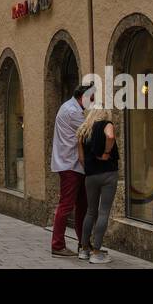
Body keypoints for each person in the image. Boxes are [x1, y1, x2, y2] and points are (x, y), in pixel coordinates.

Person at [50, 83, 91, 256]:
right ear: (84, 97)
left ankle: (84, 244)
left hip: (73, 165)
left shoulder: (67, 106)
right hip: (70, 164)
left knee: (82, 205)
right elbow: (89, 132)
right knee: (66, 205)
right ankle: (57, 245)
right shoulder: (73, 112)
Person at [77, 109, 118, 264]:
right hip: (108, 174)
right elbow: (110, 135)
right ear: (104, 115)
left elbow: (80, 158)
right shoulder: (106, 124)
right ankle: (96, 252)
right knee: (104, 212)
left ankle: (84, 249)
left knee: (90, 212)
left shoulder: (83, 131)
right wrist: (106, 152)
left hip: (90, 176)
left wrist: (90, 166)